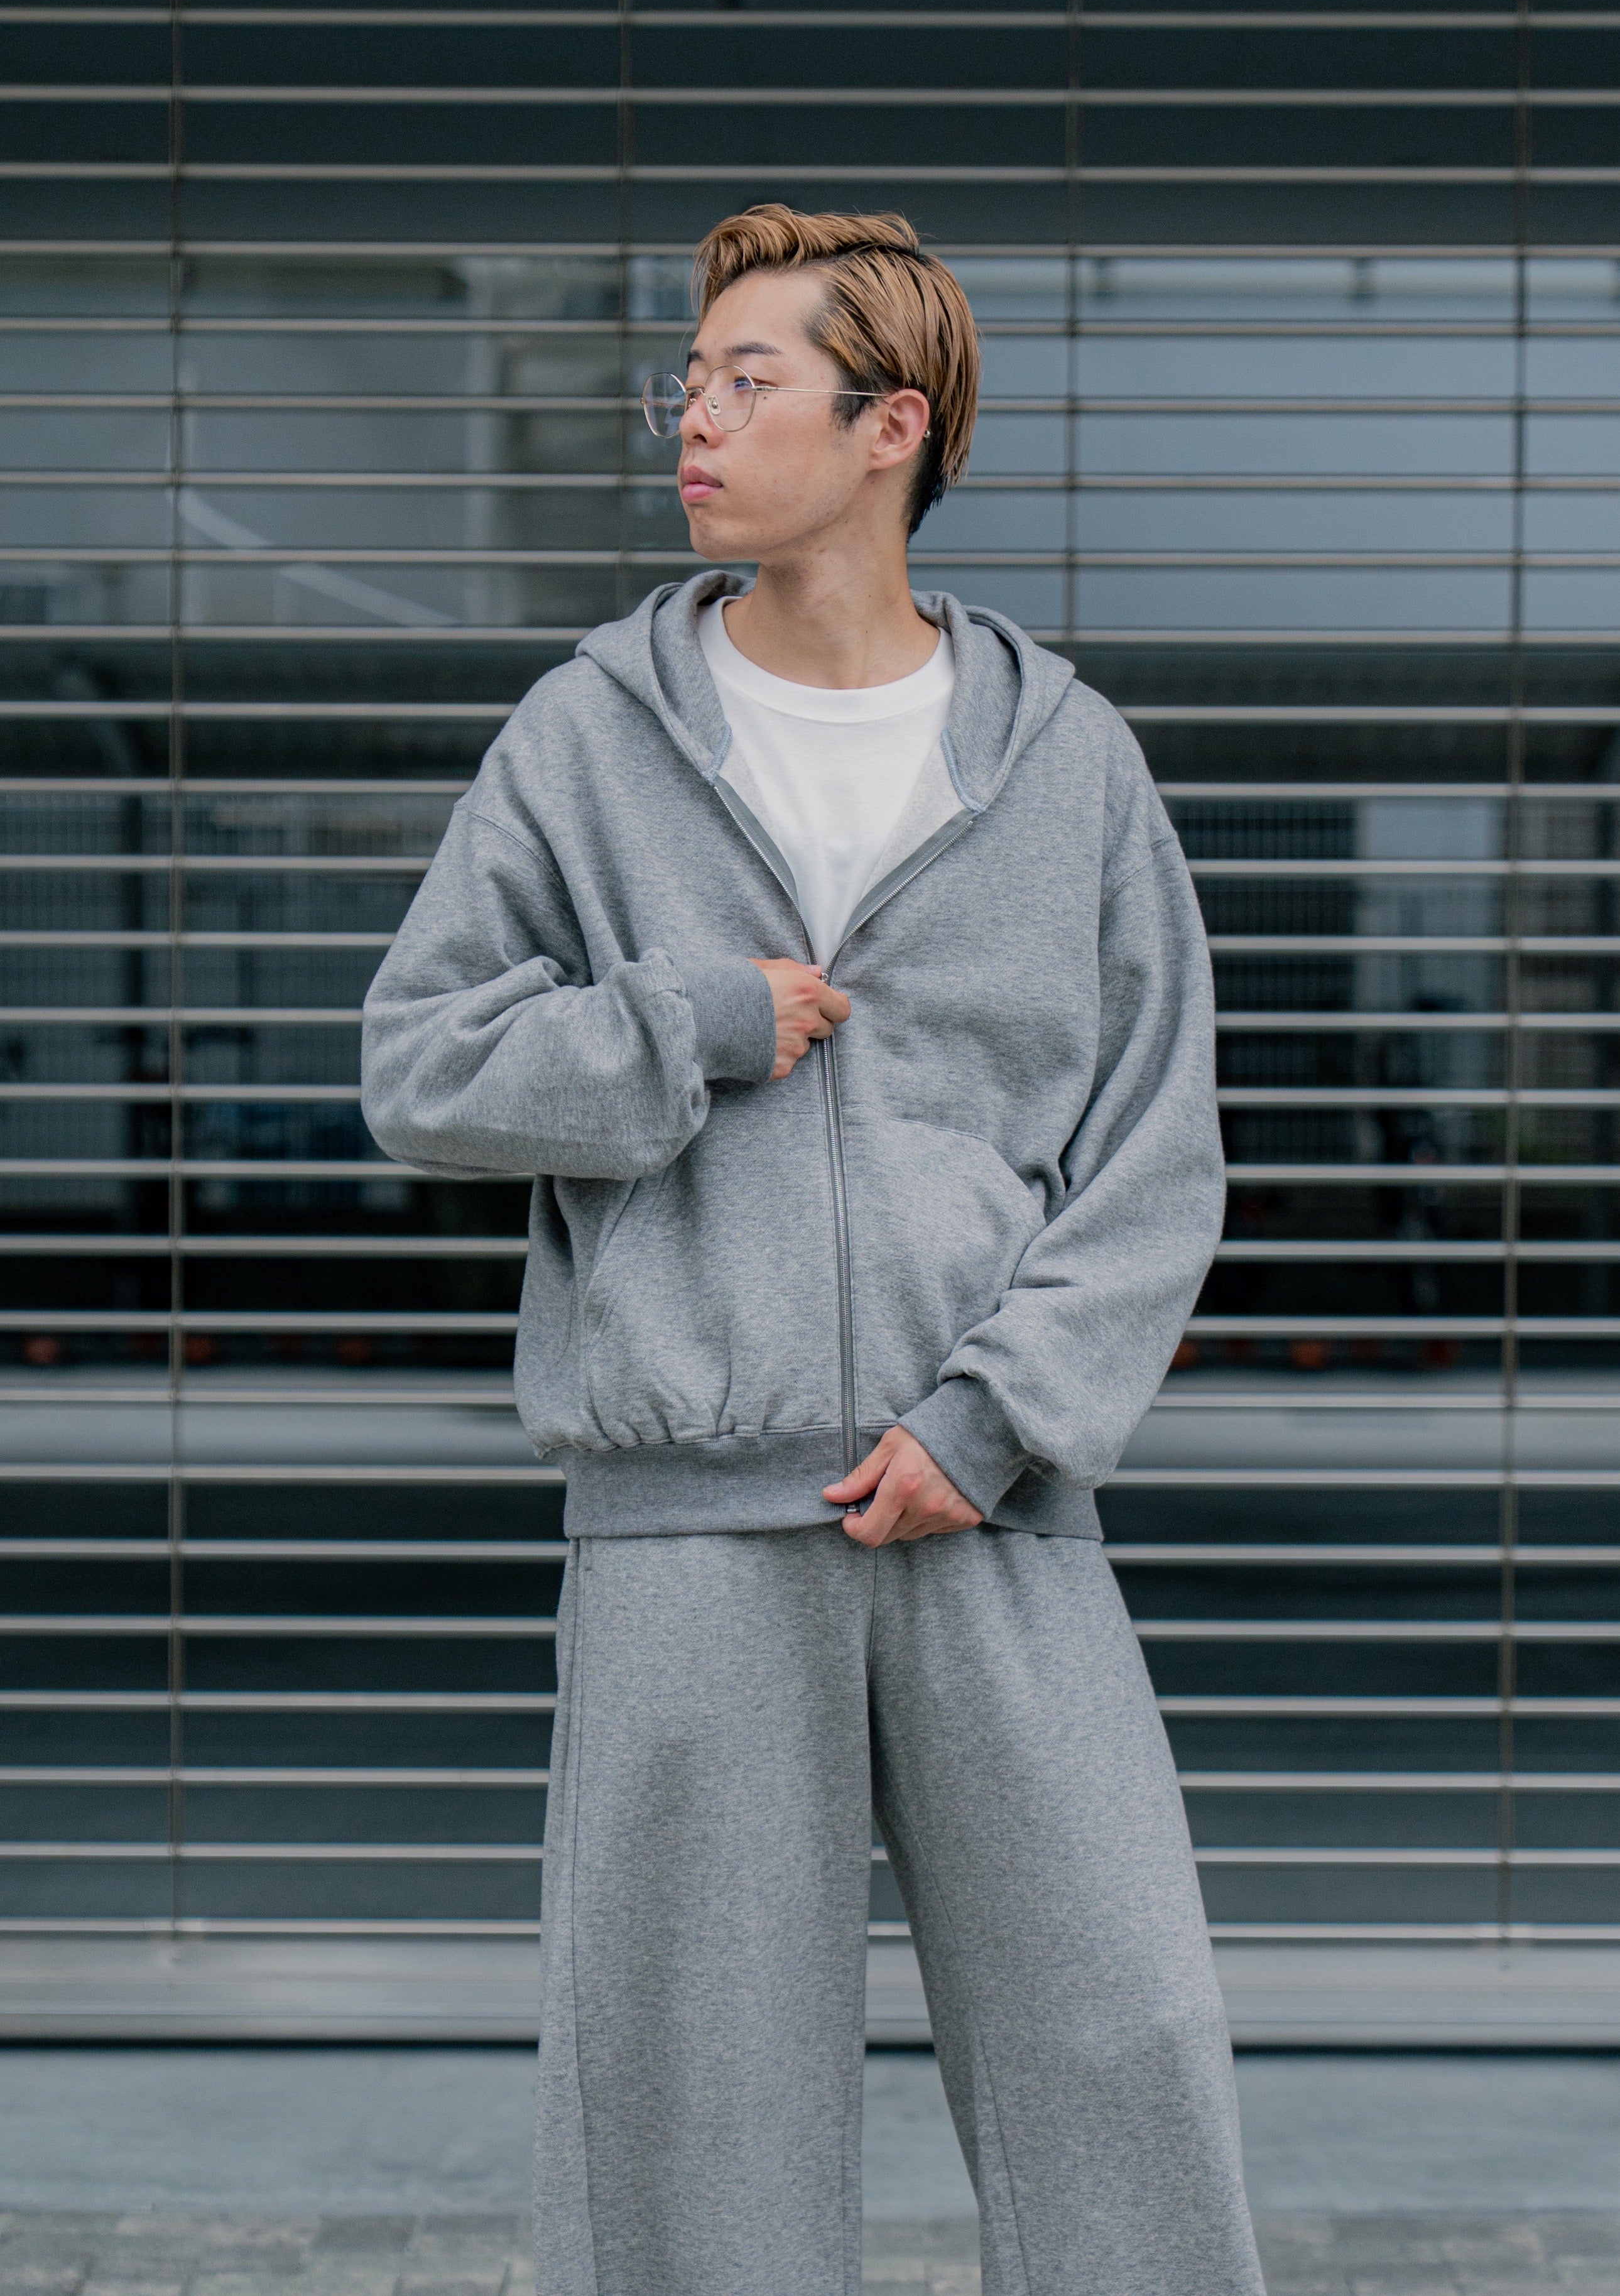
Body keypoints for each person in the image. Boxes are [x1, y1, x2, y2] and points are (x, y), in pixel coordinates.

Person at [361, 205, 1263, 2296]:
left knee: (1120, 2033)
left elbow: (1154, 1154)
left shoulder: (1062, 761)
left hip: (987, 1507)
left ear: (890, 427)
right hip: (687, 1518)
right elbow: (420, 1066)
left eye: (744, 381)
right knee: (687, 2092)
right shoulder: (589, 735)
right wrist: (682, 1022)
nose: (691, 418)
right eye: (684, 383)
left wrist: (997, 1417)